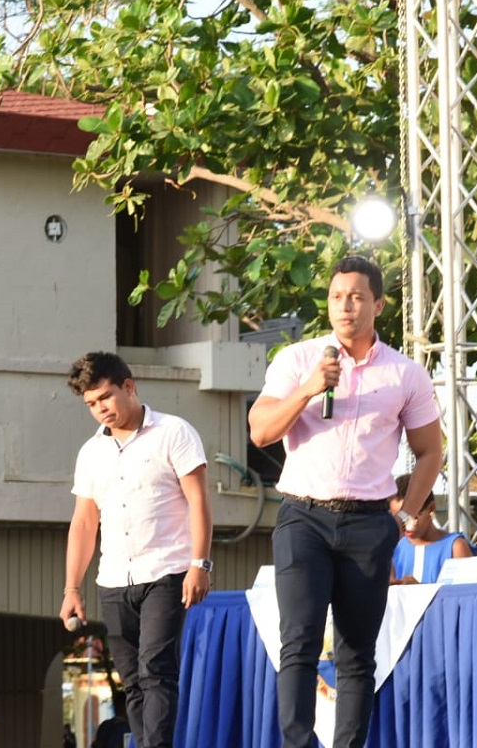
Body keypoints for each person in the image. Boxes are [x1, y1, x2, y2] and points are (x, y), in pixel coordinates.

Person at [248, 255, 443, 748]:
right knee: (300, 640)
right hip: (303, 518)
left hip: (368, 523)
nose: (345, 306)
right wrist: (310, 389)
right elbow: (261, 430)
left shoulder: (405, 373)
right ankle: (299, 744)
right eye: (337, 297)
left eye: (357, 297)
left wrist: (406, 516)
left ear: (378, 303)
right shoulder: (298, 360)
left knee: (358, 652)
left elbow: (429, 452)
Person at [61, 352, 213, 748]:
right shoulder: (90, 452)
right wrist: (71, 589)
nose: (100, 410)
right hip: (113, 578)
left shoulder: (174, 432)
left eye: (106, 398)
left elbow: (199, 501)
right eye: (91, 404)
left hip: (167, 571)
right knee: (133, 680)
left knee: (157, 670)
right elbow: (83, 522)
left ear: (129, 386)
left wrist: (200, 563)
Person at [389, 473, 474, 584]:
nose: (405, 525)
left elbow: (466, 596)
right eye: (399, 518)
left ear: (431, 508)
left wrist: (421, 591)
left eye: (412, 517)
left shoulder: (455, 547)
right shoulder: (394, 548)